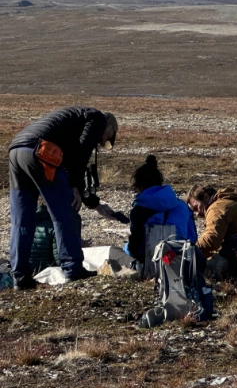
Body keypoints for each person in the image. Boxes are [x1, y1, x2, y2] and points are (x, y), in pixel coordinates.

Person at [8, 106, 117, 289]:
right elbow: (82, 153)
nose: (103, 142)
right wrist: (74, 185)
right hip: (41, 150)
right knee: (65, 213)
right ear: (109, 126)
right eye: (108, 138)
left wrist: (95, 204)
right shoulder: (98, 118)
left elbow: (70, 163)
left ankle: (20, 277)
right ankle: (73, 269)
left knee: (22, 220)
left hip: (16, 151)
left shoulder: (70, 124)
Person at [96, 155, 197, 266]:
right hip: (180, 261)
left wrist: (126, 248)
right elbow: (192, 238)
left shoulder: (139, 211)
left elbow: (134, 250)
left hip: (149, 264)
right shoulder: (183, 206)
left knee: (112, 251)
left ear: (139, 186)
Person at [186, 185, 237, 259]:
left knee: (203, 266)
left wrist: (187, 248)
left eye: (196, 207)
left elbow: (212, 241)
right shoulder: (229, 201)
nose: (196, 214)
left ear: (206, 197)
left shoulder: (216, 208)